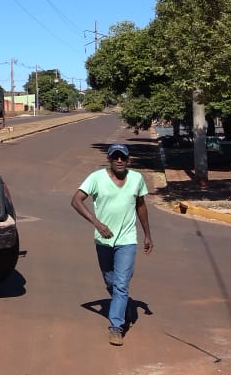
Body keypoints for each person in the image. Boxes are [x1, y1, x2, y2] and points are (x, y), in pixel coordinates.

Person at [71, 143, 153, 346]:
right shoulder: (96, 178)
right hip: (103, 241)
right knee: (111, 282)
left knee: (121, 284)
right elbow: (76, 200)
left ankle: (116, 327)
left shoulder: (136, 179)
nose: (119, 160)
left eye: (123, 157)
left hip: (127, 240)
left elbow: (141, 206)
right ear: (109, 158)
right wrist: (96, 223)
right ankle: (122, 303)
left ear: (128, 160)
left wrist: (147, 235)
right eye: (115, 157)